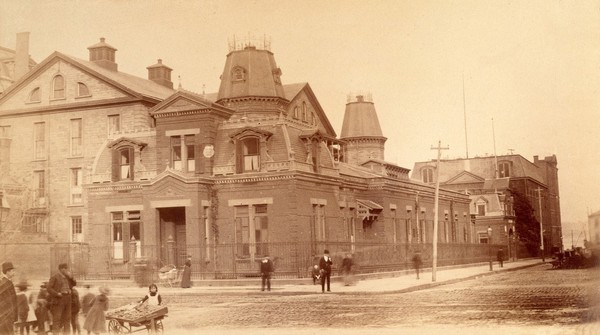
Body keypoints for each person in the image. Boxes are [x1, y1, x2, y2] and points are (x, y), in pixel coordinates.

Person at [47, 263, 74, 334]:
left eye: (66, 268)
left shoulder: (68, 277)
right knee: (57, 319)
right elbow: (49, 288)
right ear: (61, 269)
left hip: (68, 298)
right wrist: (57, 294)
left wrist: (71, 277)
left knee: (67, 318)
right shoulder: (55, 277)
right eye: (65, 268)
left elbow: (74, 284)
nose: (66, 270)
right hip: (59, 299)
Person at [0, 261, 18, 335]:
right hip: (6, 314)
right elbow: (9, 300)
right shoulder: (4, 283)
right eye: (12, 271)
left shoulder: (7, 282)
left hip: (6, 314)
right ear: (7, 271)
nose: (14, 273)